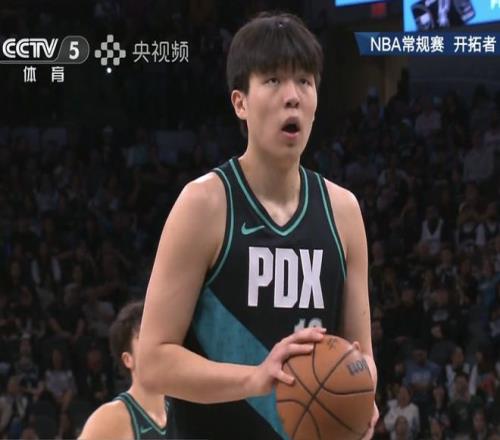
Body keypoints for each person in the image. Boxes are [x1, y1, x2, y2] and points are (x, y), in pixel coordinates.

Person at [137, 11, 377, 439]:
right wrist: (254, 378)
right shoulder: (204, 204)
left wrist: (358, 399)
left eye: (304, 81)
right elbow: (153, 362)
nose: (293, 96)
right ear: (240, 103)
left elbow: (362, 357)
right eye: (273, 80)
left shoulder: (343, 211)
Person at [79, 301, 167, 439]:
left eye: (161, 339)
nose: (157, 347)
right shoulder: (109, 419)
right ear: (128, 359)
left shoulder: (183, 410)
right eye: (147, 339)